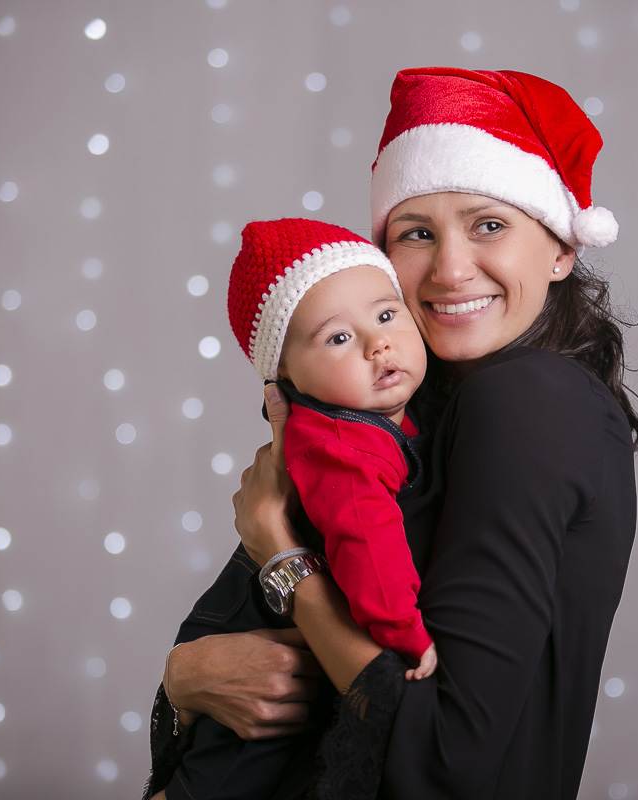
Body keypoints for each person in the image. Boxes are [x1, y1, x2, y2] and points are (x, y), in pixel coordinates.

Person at [161, 67, 638, 799]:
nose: (451, 269)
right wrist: (185, 679)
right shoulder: (399, 407)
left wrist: (283, 558)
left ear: (560, 248)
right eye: (417, 233)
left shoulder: (524, 399)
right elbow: (247, 681)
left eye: (489, 224)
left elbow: (443, 759)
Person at [147, 220, 438, 800]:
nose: (376, 345)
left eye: (386, 317)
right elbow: (367, 544)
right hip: (255, 628)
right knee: (232, 768)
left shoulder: (381, 412)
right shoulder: (341, 448)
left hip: (271, 612)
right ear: (282, 380)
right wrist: (405, 633)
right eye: (337, 339)